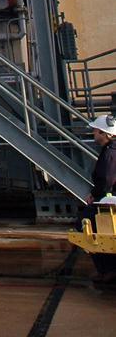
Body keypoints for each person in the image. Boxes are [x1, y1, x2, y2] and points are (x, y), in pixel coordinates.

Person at [77, 113, 116, 284]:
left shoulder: (109, 154)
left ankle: (106, 270)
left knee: (85, 224)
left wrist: (95, 194)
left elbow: (107, 179)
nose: (94, 135)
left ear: (103, 133)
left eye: (95, 132)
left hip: (108, 201)